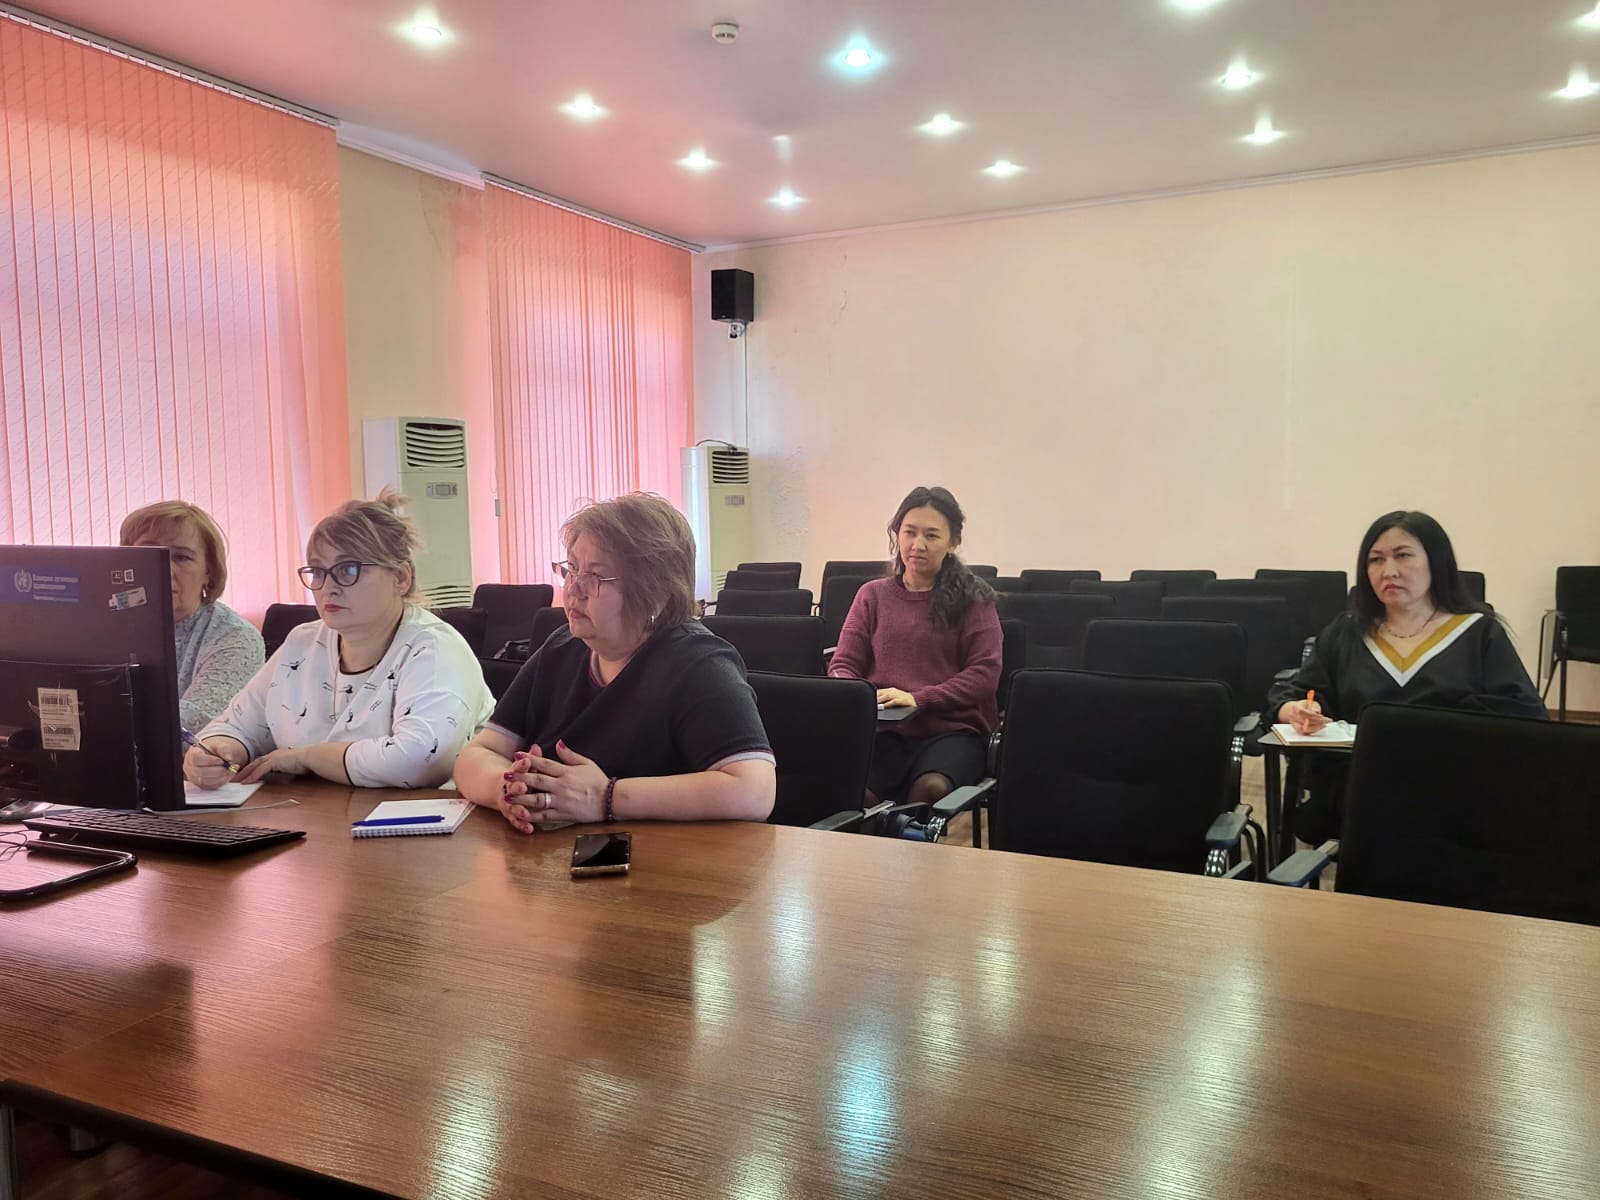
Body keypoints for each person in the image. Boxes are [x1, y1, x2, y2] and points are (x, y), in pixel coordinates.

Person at [455, 494, 775, 830]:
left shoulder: (698, 663)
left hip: (662, 856)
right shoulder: (560, 648)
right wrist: (511, 792)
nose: (573, 589)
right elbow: (477, 755)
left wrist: (605, 798)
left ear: (654, 595)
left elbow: (754, 790)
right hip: (554, 853)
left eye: (595, 576)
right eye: (571, 568)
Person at [1268, 509, 1545, 842]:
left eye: (1403, 556)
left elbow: (1524, 712)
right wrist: (1298, 711)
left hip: (1454, 785)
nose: (1389, 571)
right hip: (1359, 786)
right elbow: (1296, 694)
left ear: (1436, 562)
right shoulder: (1347, 632)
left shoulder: (1478, 632)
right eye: (1376, 560)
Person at [185, 490, 493, 789]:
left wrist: (307, 758)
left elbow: (422, 759)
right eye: (318, 571)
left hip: (422, 820)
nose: (327, 587)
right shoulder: (302, 643)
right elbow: (236, 726)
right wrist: (216, 752)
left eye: (348, 569)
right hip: (316, 816)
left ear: (400, 577)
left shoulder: (436, 649)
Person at [829, 486, 1002, 808]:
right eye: (909, 532)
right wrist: (860, 696)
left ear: (952, 543)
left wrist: (919, 699)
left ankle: (912, 840)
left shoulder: (975, 598)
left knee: (930, 789)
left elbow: (984, 674)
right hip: (883, 730)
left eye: (931, 536)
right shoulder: (872, 595)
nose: (917, 545)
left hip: (952, 731)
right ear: (898, 534)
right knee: (855, 794)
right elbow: (843, 664)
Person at [119, 501, 264, 731]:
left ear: (208, 572)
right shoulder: (107, 627)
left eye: (181, 557)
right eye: (148, 553)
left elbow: (192, 726)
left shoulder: (235, 637)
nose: (164, 569)